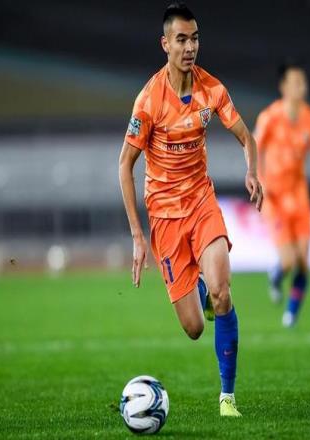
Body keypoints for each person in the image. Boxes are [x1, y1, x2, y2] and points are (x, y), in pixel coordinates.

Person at [118, 2, 262, 417]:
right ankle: (198, 291)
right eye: (181, 39)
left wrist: (252, 171)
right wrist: (137, 235)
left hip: (201, 202)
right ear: (165, 44)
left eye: (195, 38)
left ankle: (227, 397)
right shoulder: (148, 100)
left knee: (222, 291)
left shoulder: (211, 89)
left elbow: (246, 136)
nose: (190, 47)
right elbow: (125, 165)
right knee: (195, 327)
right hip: (165, 217)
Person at [254, 63, 310, 327]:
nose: (301, 87)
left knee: (304, 262)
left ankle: (291, 313)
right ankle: (276, 276)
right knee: (288, 260)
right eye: (296, 82)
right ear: (283, 87)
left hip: (298, 195)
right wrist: (258, 179)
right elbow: (254, 147)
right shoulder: (270, 117)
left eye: (303, 82)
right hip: (274, 198)